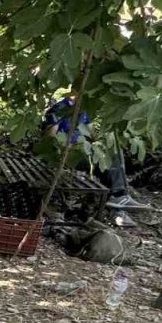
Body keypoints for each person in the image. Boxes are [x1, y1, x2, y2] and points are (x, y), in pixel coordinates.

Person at [41, 96, 151, 227]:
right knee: (108, 164)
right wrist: (66, 146)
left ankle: (119, 203)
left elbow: (92, 134)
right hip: (67, 155)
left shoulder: (84, 109)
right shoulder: (59, 108)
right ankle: (118, 206)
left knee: (114, 151)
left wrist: (108, 139)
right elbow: (49, 140)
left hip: (83, 151)